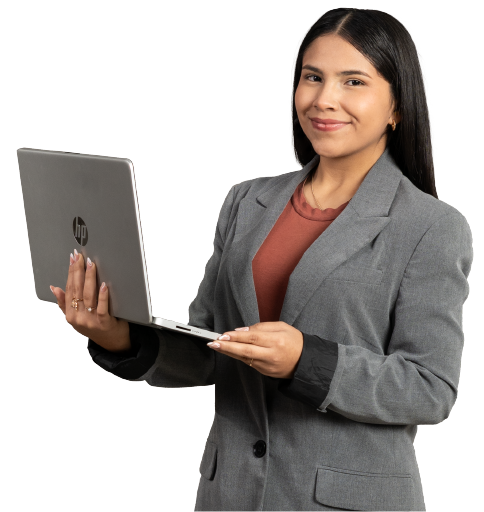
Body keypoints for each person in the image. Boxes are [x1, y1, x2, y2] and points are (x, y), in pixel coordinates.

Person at [50, 7, 473, 512]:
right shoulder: (246, 201)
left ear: (396, 106)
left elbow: (430, 388)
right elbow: (211, 344)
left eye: (353, 81)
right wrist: (117, 337)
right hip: (229, 494)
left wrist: (306, 361)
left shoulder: (431, 226)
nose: (323, 99)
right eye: (312, 77)